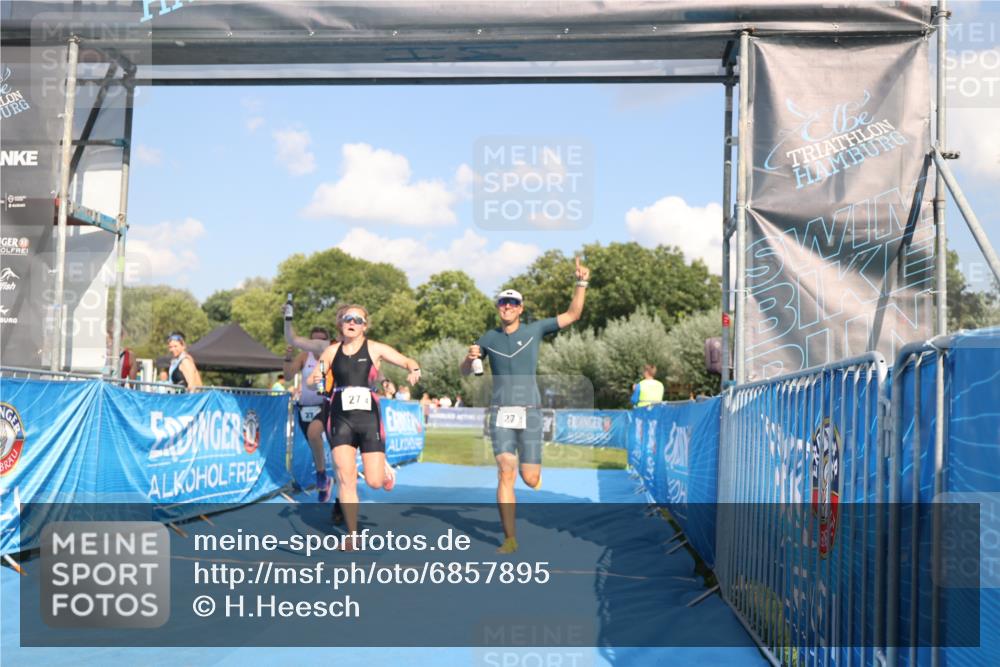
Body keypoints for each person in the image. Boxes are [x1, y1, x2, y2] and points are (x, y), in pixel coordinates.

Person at [461, 256, 590, 553]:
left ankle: (533, 474)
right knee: (505, 469)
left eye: (512, 303)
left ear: (521, 309)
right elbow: (466, 371)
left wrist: (581, 283)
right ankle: (510, 538)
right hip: (500, 413)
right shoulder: (487, 337)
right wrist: (468, 360)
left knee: (529, 479)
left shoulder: (534, 330)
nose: (507, 307)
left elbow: (572, 315)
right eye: (502, 303)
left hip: (530, 412)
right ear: (498, 308)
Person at [307, 304, 421, 548]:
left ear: (364, 326)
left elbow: (407, 360)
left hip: (368, 418)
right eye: (348, 318)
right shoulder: (331, 351)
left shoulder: (375, 348)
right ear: (341, 324)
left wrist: (414, 369)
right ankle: (352, 535)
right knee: (345, 478)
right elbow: (312, 380)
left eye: (358, 319)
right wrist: (317, 379)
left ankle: (385, 471)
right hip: (340, 418)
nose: (352, 322)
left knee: (374, 482)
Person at [282, 317, 341, 515]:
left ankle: (330, 483)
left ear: (326, 341)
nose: (316, 344)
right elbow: (288, 376)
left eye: (321, 340)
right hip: (305, 407)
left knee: (316, 435)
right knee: (313, 443)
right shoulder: (304, 356)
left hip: (326, 405)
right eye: (313, 340)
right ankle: (324, 478)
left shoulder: (331, 356)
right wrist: (288, 357)